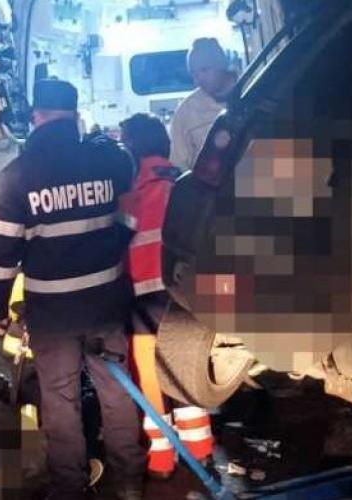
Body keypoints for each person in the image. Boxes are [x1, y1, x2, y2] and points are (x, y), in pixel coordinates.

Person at [0, 79, 145, 500]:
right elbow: (130, 212)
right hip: (105, 301)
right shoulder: (107, 160)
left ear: (36, 116)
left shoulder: (18, 175)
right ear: (75, 115)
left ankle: (70, 486)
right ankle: (129, 480)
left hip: (53, 312)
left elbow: (0, 255)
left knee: (59, 398)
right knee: (116, 389)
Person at [119, 114, 215, 480]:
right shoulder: (185, 181)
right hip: (186, 292)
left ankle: (161, 457)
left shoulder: (132, 189)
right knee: (183, 369)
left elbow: (118, 242)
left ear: (133, 146)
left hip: (144, 295)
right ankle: (200, 450)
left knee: (149, 373)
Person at [170, 37, 236, 171]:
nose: (198, 80)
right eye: (193, 74)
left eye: (204, 70)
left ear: (222, 65)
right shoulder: (186, 111)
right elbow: (179, 165)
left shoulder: (254, 93)